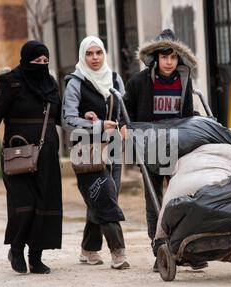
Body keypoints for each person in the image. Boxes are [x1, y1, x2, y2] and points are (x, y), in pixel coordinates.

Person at [0, 40, 63, 274]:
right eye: (36, 61)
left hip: (47, 156)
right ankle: (17, 248)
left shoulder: (50, 84)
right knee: (25, 204)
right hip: (18, 155)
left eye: (45, 61)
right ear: (25, 60)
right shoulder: (10, 82)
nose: (41, 65)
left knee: (44, 203)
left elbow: (61, 116)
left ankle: (36, 256)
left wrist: (92, 121)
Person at [123, 29, 198, 272]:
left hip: (178, 144)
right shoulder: (139, 81)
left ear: (179, 59)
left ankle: (189, 247)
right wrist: (124, 127)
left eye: (173, 57)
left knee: (182, 195)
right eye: (164, 56)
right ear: (155, 57)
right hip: (150, 145)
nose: (169, 62)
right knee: (154, 201)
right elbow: (125, 109)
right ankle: (160, 251)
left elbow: (187, 114)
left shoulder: (184, 80)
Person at [62, 36, 129, 270]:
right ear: (83, 56)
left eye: (98, 53)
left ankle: (88, 249)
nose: (94, 58)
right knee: (104, 198)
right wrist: (96, 125)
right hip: (86, 151)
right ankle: (118, 253)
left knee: (101, 199)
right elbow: (67, 119)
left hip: (113, 150)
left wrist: (124, 125)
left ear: (104, 54)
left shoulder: (114, 79)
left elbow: (123, 111)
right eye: (89, 54)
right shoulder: (75, 82)